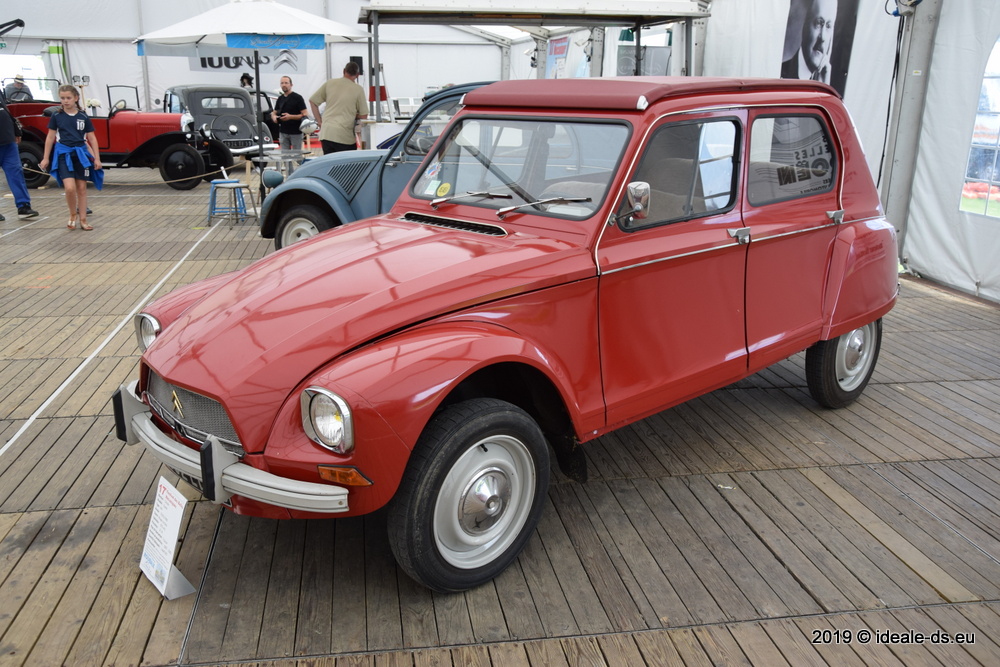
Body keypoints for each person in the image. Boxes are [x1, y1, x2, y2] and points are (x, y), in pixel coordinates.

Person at [39, 85, 102, 231]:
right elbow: (50, 137)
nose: (65, 101)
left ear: (76, 98)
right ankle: (72, 214)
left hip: (80, 154)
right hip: (64, 154)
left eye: (68, 98)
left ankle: (84, 219)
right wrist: (45, 158)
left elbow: (92, 139)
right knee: (69, 188)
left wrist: (97, 158)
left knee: (82, 188)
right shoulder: (57, 116)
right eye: (62, 98)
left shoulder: (83, 116)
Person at [309, 61, 368, 155]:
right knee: (346, 168)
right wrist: (353, 114)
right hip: (344, 136)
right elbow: (364, 115)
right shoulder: (358, 89)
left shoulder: (330, 83)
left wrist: (319, 122)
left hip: (327, 133)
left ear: (344, 71)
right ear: (357, 75)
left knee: (330, 166)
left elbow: (312, 101)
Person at [0, 93, 39, 221]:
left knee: (16, 172)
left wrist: (16, 130)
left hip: (8, 141)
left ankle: (23, 206)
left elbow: (5, 109)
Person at [781, 0, 838, 85]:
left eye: (828, 26)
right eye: (818, 23)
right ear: (805, 24)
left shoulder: (828, 80)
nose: (823, 37)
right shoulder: (780, 74)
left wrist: (824, 86)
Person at [271, 76, 308, 151]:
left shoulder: (298, 98)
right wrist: (274, 117)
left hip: (296, 132)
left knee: (297, 155)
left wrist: (290, 117)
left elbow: (305, 114)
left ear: (291, 85)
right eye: (282, 83)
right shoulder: (280, 98)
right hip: (283, 131)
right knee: (285, 156)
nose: (284, 85)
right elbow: (273, 112)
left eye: (286, 83)